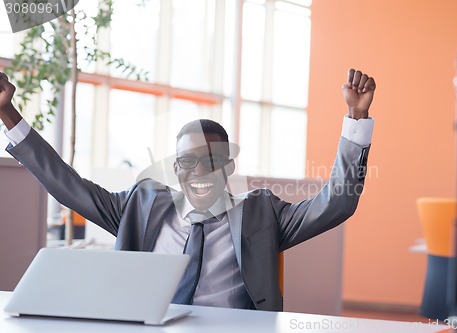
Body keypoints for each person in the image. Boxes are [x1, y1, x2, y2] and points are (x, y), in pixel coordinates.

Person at [0, 68, 376, 311]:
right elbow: (67, 185)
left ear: (228, 167)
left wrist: (356, 120)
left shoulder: (261, 214)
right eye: (186, 162)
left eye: (210, 160)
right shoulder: (141, 206)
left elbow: (337, 203)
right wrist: (9, 115)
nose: (198, 172)